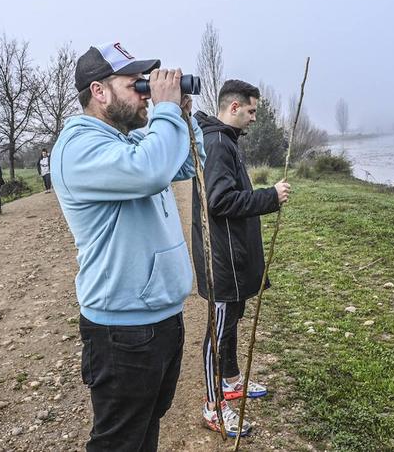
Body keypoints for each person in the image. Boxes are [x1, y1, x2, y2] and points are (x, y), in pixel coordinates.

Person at [50, 42, 204, 451]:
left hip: (160, 317)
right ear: (99, 91)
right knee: (118, 442)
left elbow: (186, 165)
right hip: (123, 328)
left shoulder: (124, 140)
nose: (145, 92)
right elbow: (152, 172)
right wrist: (166, 112)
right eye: (136, 83)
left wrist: (182, 117)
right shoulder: (80, 147)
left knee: (145, 428)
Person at [191, 79, 291, 437]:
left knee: (231, 322)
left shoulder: (225, 140)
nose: (253, 118)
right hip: (222, 263)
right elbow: (219, 201)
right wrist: (269, 197)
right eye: (250, 111)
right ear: (233, 107)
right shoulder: (217, 143)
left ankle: (231, 380)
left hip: (233, 257)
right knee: (217, 333)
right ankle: (213, 406)